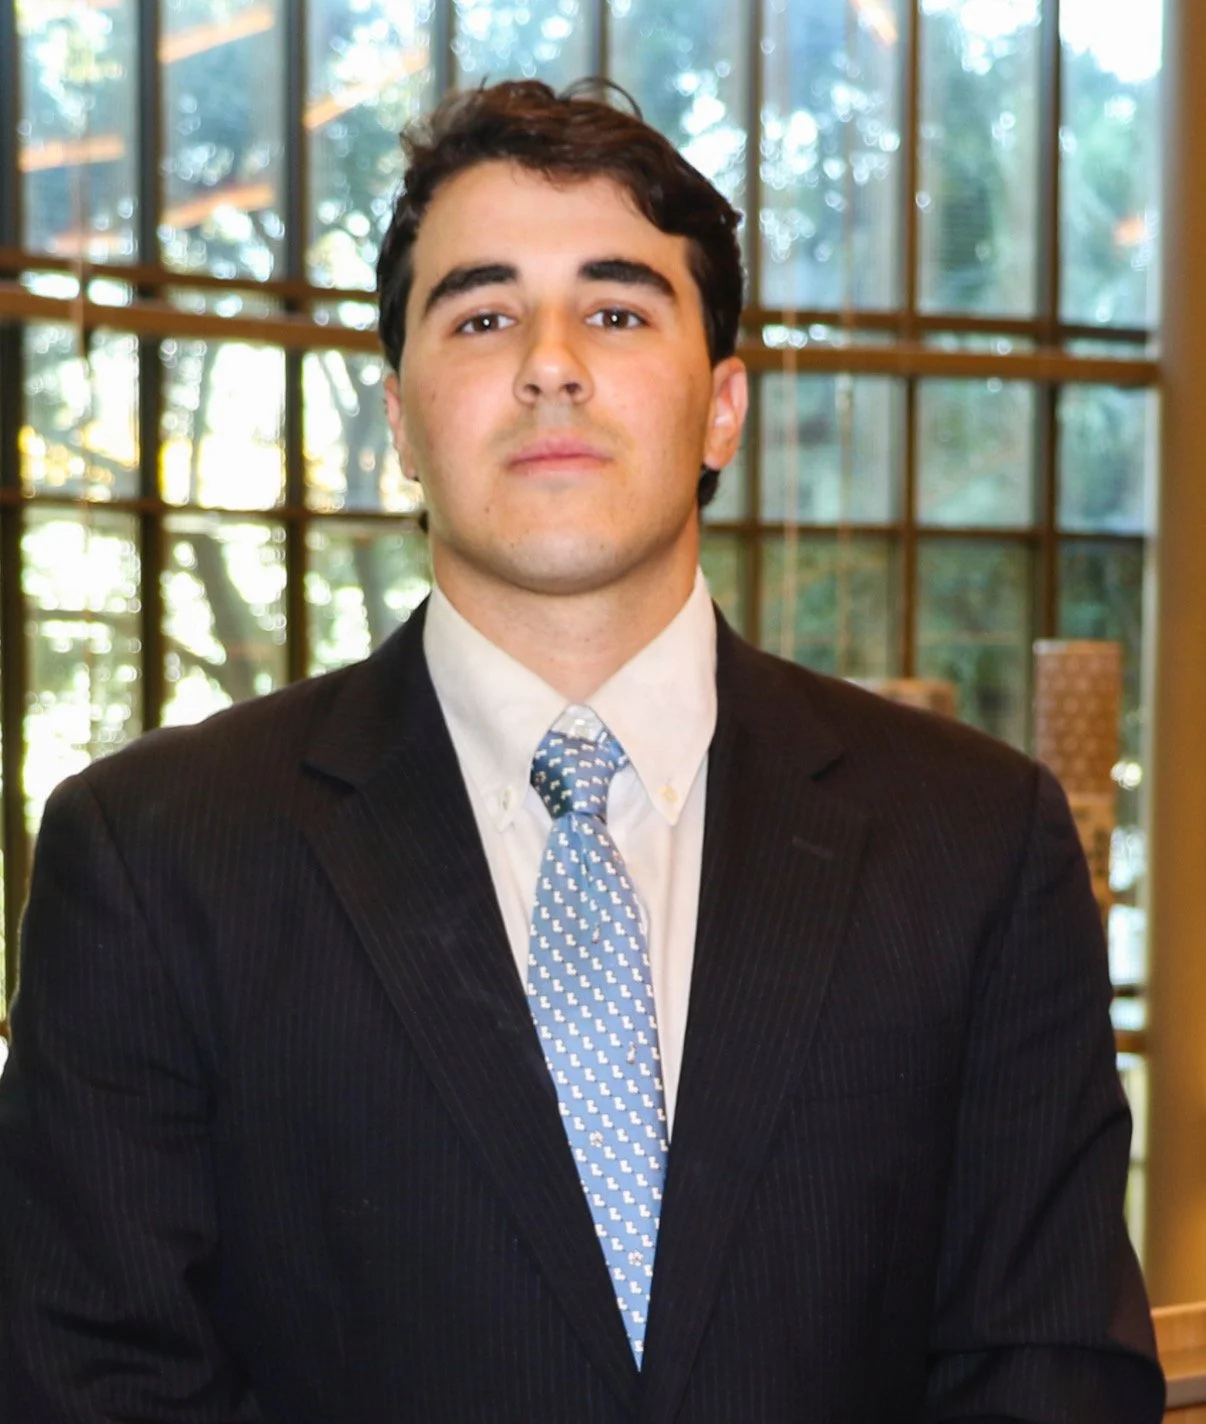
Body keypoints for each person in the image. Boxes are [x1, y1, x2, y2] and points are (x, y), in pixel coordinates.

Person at [0, 79, 1163, 1423]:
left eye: (616, 311)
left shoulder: (974, 842)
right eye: (483, 315)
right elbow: (91, 1384)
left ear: (722, 409)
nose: (549, 360)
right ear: (400, 423)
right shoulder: (156, 857)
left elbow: (1048, 1365)